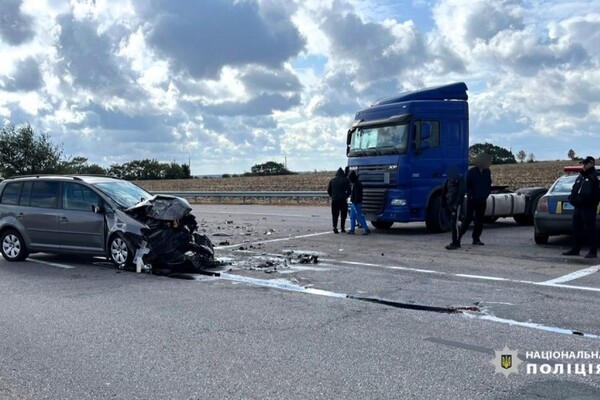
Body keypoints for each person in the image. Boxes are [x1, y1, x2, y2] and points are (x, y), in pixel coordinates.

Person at [562, 156, 600, 258]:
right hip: (578, 207)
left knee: (590, 229)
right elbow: (575, 189)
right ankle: (575, 249)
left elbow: (596, 193)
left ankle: (593, 251)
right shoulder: (581, 177)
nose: (583, 166)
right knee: (576, 228)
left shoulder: (594, 177)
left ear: (591, 164)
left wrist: (589, 201)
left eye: (585, 164)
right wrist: (572, 199)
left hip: (589, 207)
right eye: (583, 164)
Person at [459, 153, 492, 246]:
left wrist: (486, 194)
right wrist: (472, 195)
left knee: (480, 220)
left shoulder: (487, 172)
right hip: (472, 199)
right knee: (468, 219)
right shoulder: (471, 172)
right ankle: (459, 236)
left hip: (482, 199)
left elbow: (488, 183)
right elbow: (467, 185)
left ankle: (476, 238)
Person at [442, 166, 466, 250]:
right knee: (452, 224)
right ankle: (455, 241)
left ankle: (455, 242)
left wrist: (456, 204)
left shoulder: (460, 178)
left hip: (456, 205)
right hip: (449, 204)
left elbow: (461, 192)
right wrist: (444, 204)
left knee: (454, 224)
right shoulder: (449, 179)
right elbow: (445, 191)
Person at [327, 167, 351, 233]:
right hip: (342, 200)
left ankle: (335, 227)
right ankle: (342, 228)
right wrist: (346, 196)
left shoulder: (332, 180)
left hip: (334, 200)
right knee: (343, 215)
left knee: (335, 214)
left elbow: (329, 190)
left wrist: (332, 196)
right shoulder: (346, 180)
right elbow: (349, 190)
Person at [347, 170, 371, 235]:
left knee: (358, 216)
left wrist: (354, 202)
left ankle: (366, 229)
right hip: (355, 203)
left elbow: (357, 195)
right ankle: (352, 229)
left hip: (356, 203)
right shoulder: (357, 184)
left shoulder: (356, 184)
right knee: (353, 216)